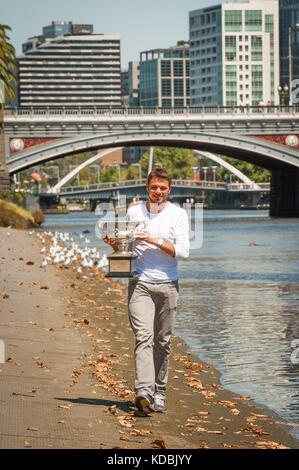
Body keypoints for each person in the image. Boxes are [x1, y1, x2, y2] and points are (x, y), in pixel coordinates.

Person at [103, 167, 189, 413]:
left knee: (163, 342)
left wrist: (152, 240)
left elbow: (183, 253)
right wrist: (115, 242)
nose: (158, 192)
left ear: (169, 189)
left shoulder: (178, 214)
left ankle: (159, 393)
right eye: (154, 188)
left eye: (163, 188)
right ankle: (143, 391)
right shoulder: (134, 211)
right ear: (147, 188)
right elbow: (127, 245)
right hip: (139, 283)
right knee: (144, 337)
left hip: (168, 285)